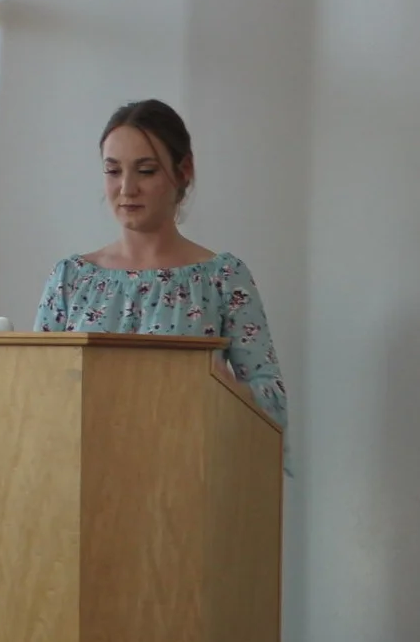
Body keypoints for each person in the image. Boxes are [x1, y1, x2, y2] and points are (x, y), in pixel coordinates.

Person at [34, 99, 288, 429]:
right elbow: (37, 390)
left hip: (187, 457)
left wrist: (226, 393)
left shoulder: (223, 279)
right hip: (84, 458)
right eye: (113, 171)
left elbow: (272, 401)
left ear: (184, 171)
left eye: (146, 171)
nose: (127, 188)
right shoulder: (70, 279)